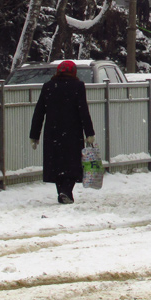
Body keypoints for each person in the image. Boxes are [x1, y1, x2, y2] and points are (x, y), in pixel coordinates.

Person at [29, 60, 95, 204]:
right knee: (72, 164)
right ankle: (66, 191)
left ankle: (62, 192)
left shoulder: (48, 86)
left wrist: (34, 135)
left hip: (52, 132)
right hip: (73, 132)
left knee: (56, 164)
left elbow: (39, 111)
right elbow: (83, 110)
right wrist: (89, 133)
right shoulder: (78, 86)